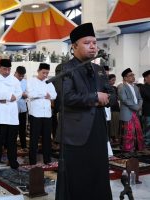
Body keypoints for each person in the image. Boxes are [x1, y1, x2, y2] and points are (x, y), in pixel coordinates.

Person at [55, 23, 114, 200]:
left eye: (95, 43)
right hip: (76, 133)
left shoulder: (99, 69)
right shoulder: (65, 68)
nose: (93, 46)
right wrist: (95, 98)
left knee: (98, 173)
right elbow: (67, 97)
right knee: (78, 176)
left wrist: (105, 98)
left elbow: (112, 95)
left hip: (98, 129)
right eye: (87, 43)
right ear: (74, 46)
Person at [0, 59, 22, 173]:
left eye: (9, 69)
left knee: (12, 143)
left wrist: (7, 98)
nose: (7, 72)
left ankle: (13, 163)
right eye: (4, 69)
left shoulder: (14, 79)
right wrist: (9, 97)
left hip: (12, 115)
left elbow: (19, 93)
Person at [27, 63, 57, 165]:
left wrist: (47, 95)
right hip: (35, 114)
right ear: (38, 71)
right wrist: (44, 94)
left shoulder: (49, 82)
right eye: (43, 72)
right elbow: (31, 94)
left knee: (47, 139)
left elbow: (54, 95)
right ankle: (32, 161)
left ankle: (47, 160)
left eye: (47, 73)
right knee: (34, 139)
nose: (45, 75)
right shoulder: (31, 81)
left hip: (47, 114)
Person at [118, 68, 144, 152]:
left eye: (133, 75)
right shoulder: (122, 87)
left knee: (137, 131)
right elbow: (124, 100)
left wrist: (139, 106)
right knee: (128, 132)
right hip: (128, 112)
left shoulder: (135, 87)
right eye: (131, 75)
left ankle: (137, 148)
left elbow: (140, 98)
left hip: (135, 112)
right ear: (125, 78)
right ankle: (127, 149)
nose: (133, 77)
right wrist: (136, 107)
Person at [14, 66, 28, 151]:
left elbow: (28, 93)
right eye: (19, 75)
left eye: (22, 76)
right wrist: (20, 94)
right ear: (15, 72)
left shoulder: (25, 82)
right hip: (13, 109)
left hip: (22, 107)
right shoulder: (10, 81)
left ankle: (23, 146)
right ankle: (11, 146)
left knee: (22, 128)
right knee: (13, 129)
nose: (21, 77)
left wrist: (24, 95)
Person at [108, 74, 120, 142]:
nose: (114, 82)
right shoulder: (106, 88)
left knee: (116, 123)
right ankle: (111, 137)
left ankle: (115, 136)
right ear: (108, 80)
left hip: (116, 107)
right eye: (112, 80)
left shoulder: (115, 88)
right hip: (110, 108)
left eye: (114, 80)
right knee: (112, 123)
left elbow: (117, 97)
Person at [140, 70, 150, 147]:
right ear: (146, 78)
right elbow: (148, 96)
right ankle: (145, 146)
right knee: (147, 130)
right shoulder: (143, 87)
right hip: (147, 112)